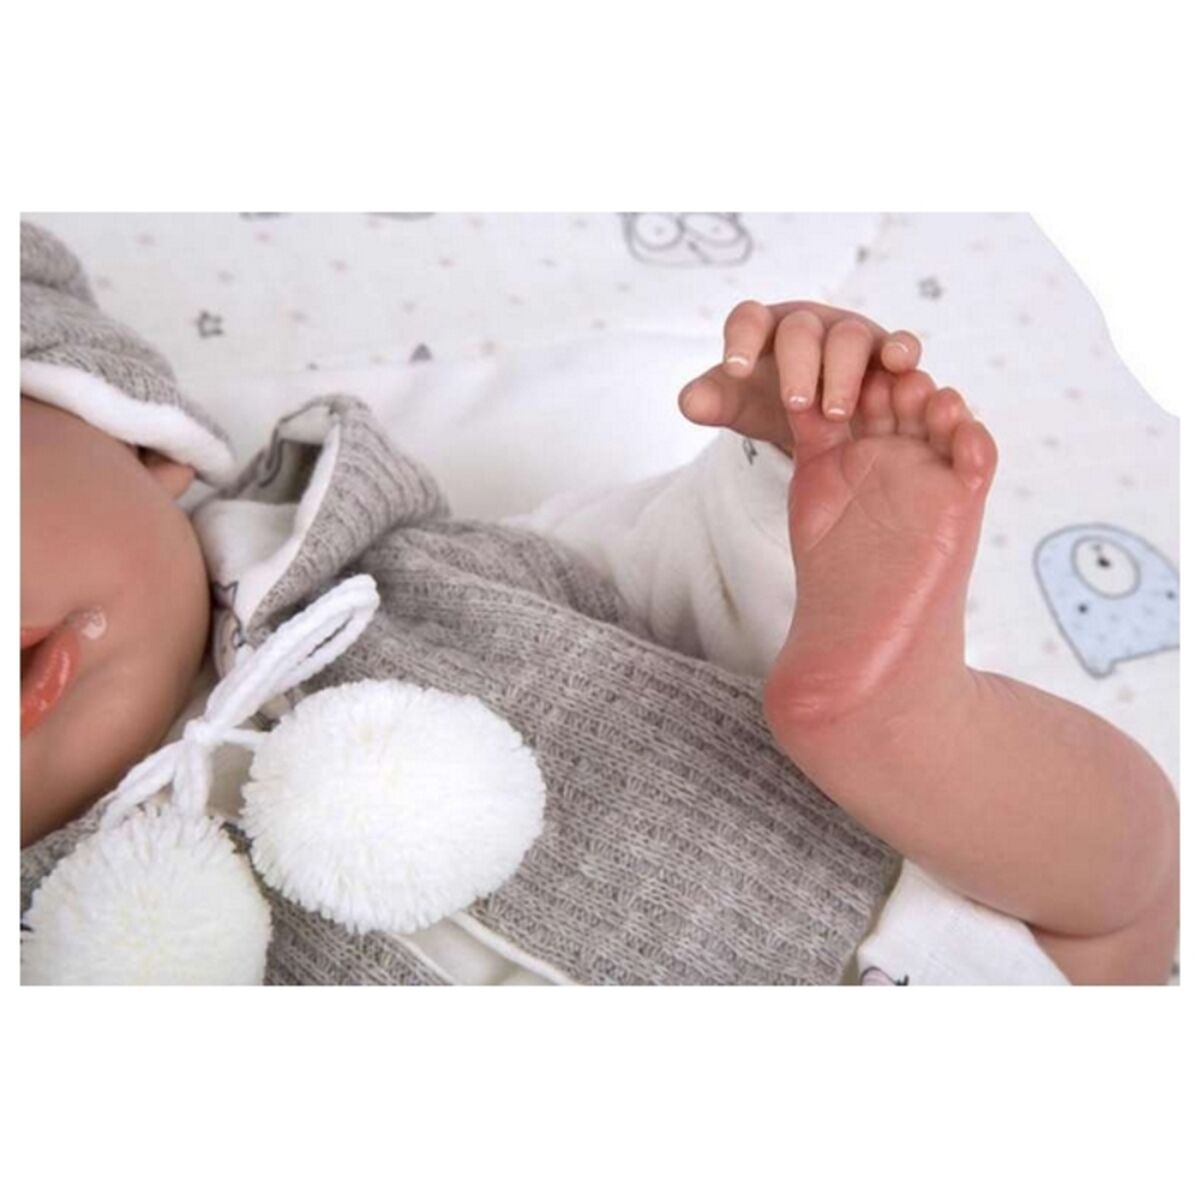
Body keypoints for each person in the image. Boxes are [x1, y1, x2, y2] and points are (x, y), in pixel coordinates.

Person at [19, 224, 1177, 984]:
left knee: (1118, 866)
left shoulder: (421, 579)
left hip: (972, 949)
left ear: (135, 436)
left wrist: (794, 481)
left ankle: (899, 718)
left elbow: (692, 583)